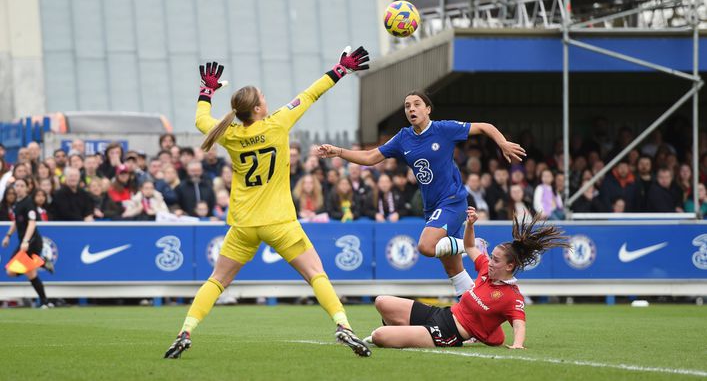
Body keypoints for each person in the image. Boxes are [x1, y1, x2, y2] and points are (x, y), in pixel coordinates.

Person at [165, 50, 372, 359]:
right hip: (279, 222)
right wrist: (341, 69)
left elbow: (200, 120)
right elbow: (310, 94)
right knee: (316, 274)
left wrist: (206, 91)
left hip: (244, 224)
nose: (267, 100)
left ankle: (186, 330)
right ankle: (343, 325)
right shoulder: (277, 124)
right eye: (263, 97)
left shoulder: (230, 134)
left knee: (217, 280)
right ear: (259, 108)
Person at [317, 91, 525, 298]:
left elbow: (484, 127)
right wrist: (339, 152)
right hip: (432, 207)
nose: (411, 109)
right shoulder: (403, 138)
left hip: (452, 201)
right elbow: (372, 156)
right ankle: (474, 310)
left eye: (417, 104)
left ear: (428, 109)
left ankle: (471, 245)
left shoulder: (443, 129)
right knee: (454, 271)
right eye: (407, 106)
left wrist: (502, 143)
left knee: (426, 246)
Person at [368, 206, 569, 349]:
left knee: (379, 336)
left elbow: (519, 324)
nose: (490, 262)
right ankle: (406, 332)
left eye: (496, 260)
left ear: (510, 266)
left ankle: (405, 333)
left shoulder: (512, 296)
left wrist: (517, 344)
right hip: (442, 314)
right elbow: (471, 246)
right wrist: (470, 225)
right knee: (382, 302)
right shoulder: (485, 269)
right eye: (491, 257)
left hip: (449, 332)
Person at [1, 178, 54, 307]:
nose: (18, 188)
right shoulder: (17, 204)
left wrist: (26, 241)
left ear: (26, 188)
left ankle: (41, 262)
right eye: (16, 185)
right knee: (30, 274)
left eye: (21, 185)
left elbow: (32, 223)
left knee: (11, 271)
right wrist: (8, 235)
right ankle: (45, 302)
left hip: (31, 242)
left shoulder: (28, 203)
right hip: (24, 243)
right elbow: (16, 222)